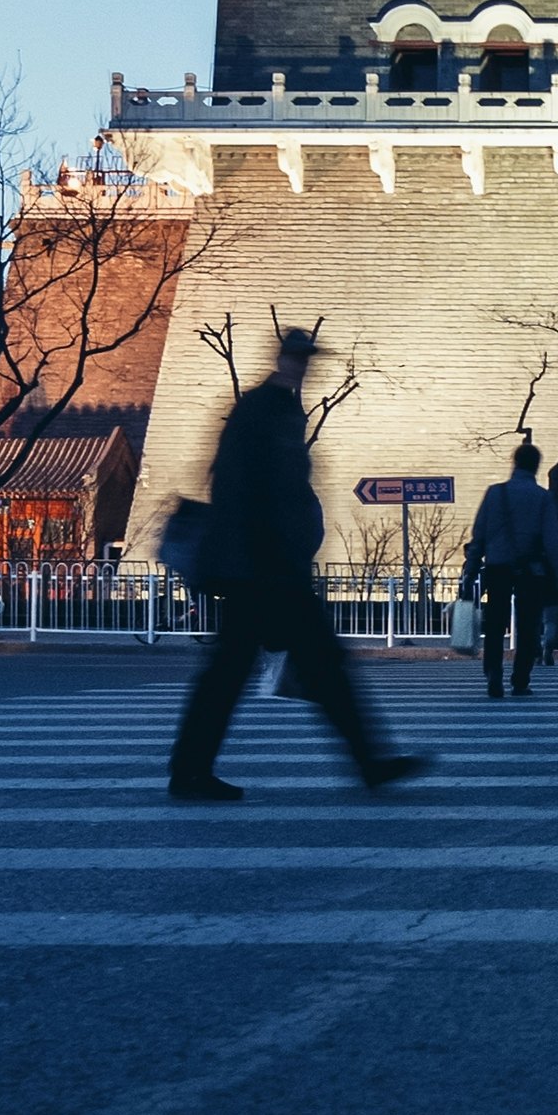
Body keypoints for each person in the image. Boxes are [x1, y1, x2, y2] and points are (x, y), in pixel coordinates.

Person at [166, 326, 426, 801]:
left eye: (306, 359)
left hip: (269, 567)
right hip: (261, 569)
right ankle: (367, 763)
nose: (302, 365)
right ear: (282, 359)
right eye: (297, 357)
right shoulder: (260, 410)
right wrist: (273, 551)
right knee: (273, 669)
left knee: (289, 668)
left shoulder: (280, 410)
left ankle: (191, 769)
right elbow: (239, 488)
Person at [469, 443, 558, 700]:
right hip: (531, 570)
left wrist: (471, 566)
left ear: (514, 462)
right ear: (536, 466)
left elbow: (479, 534)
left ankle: (493, 674)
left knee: (495, 624)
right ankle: (520, 680)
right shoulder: (542, 497)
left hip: (497, 567)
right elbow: (552, 541)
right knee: (528, 626)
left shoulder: (495, 494)